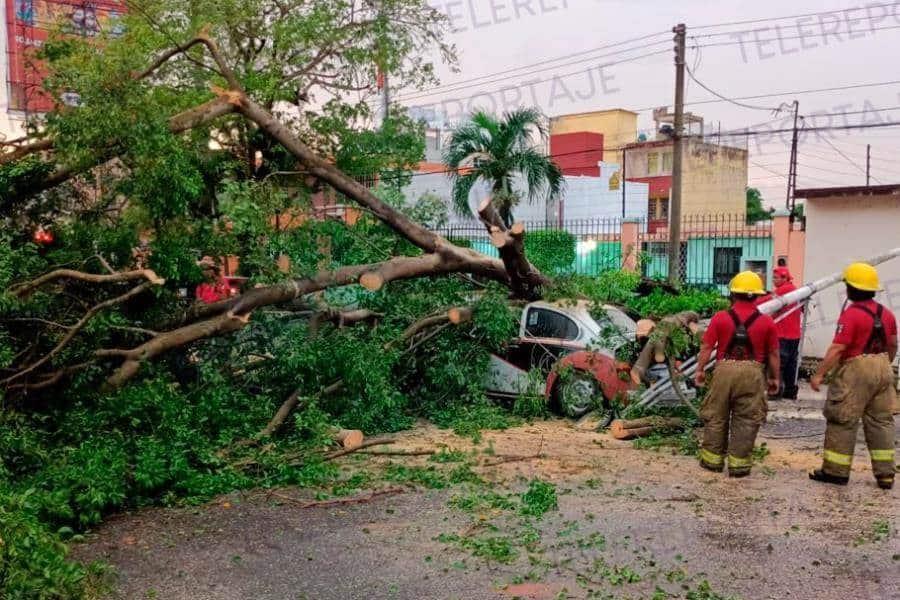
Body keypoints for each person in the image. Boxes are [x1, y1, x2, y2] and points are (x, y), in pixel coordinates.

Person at [809, 262, 897, 490]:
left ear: (850, 289)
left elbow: (838, 349)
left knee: (843, 419)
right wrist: (886, 364)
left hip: (857, 368)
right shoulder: (886, 314)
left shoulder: (851, 315)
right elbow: (893, 344)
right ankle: (886, 475)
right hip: (883, 366)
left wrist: (819, 374)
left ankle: (835, 471)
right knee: (881, 421)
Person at [694, 271, 780, 478]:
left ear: (733, 293)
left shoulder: (720, 318)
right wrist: (774, 378)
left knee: (716, 416)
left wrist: (699, 370)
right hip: (753, 373)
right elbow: (774, 353)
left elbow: (706, 347)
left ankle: (712, 461)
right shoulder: (767, 322)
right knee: (747, 419)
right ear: (757, 296)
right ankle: (739, 466)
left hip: (724, 370)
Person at [758, 267, 802, 400]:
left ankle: (775, 391)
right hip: (794, 334)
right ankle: (790, 391)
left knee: (778, 363)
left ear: (785, 278)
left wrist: (752, 303)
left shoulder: (785, 290)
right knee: (790, 364)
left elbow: (767, 301)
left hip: (782, 334)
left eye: (776, 278)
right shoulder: (794, 290)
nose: (774, 280)